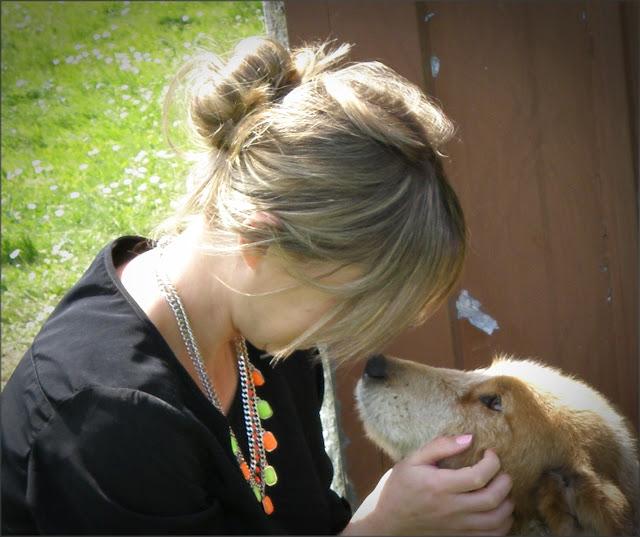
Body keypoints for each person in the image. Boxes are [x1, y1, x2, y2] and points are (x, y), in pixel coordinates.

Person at [1, 36, 514, 535]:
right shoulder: (108, 420)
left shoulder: (267, 335)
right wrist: (383, 527)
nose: (342, 331)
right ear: (259, 238)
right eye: (346, 300)